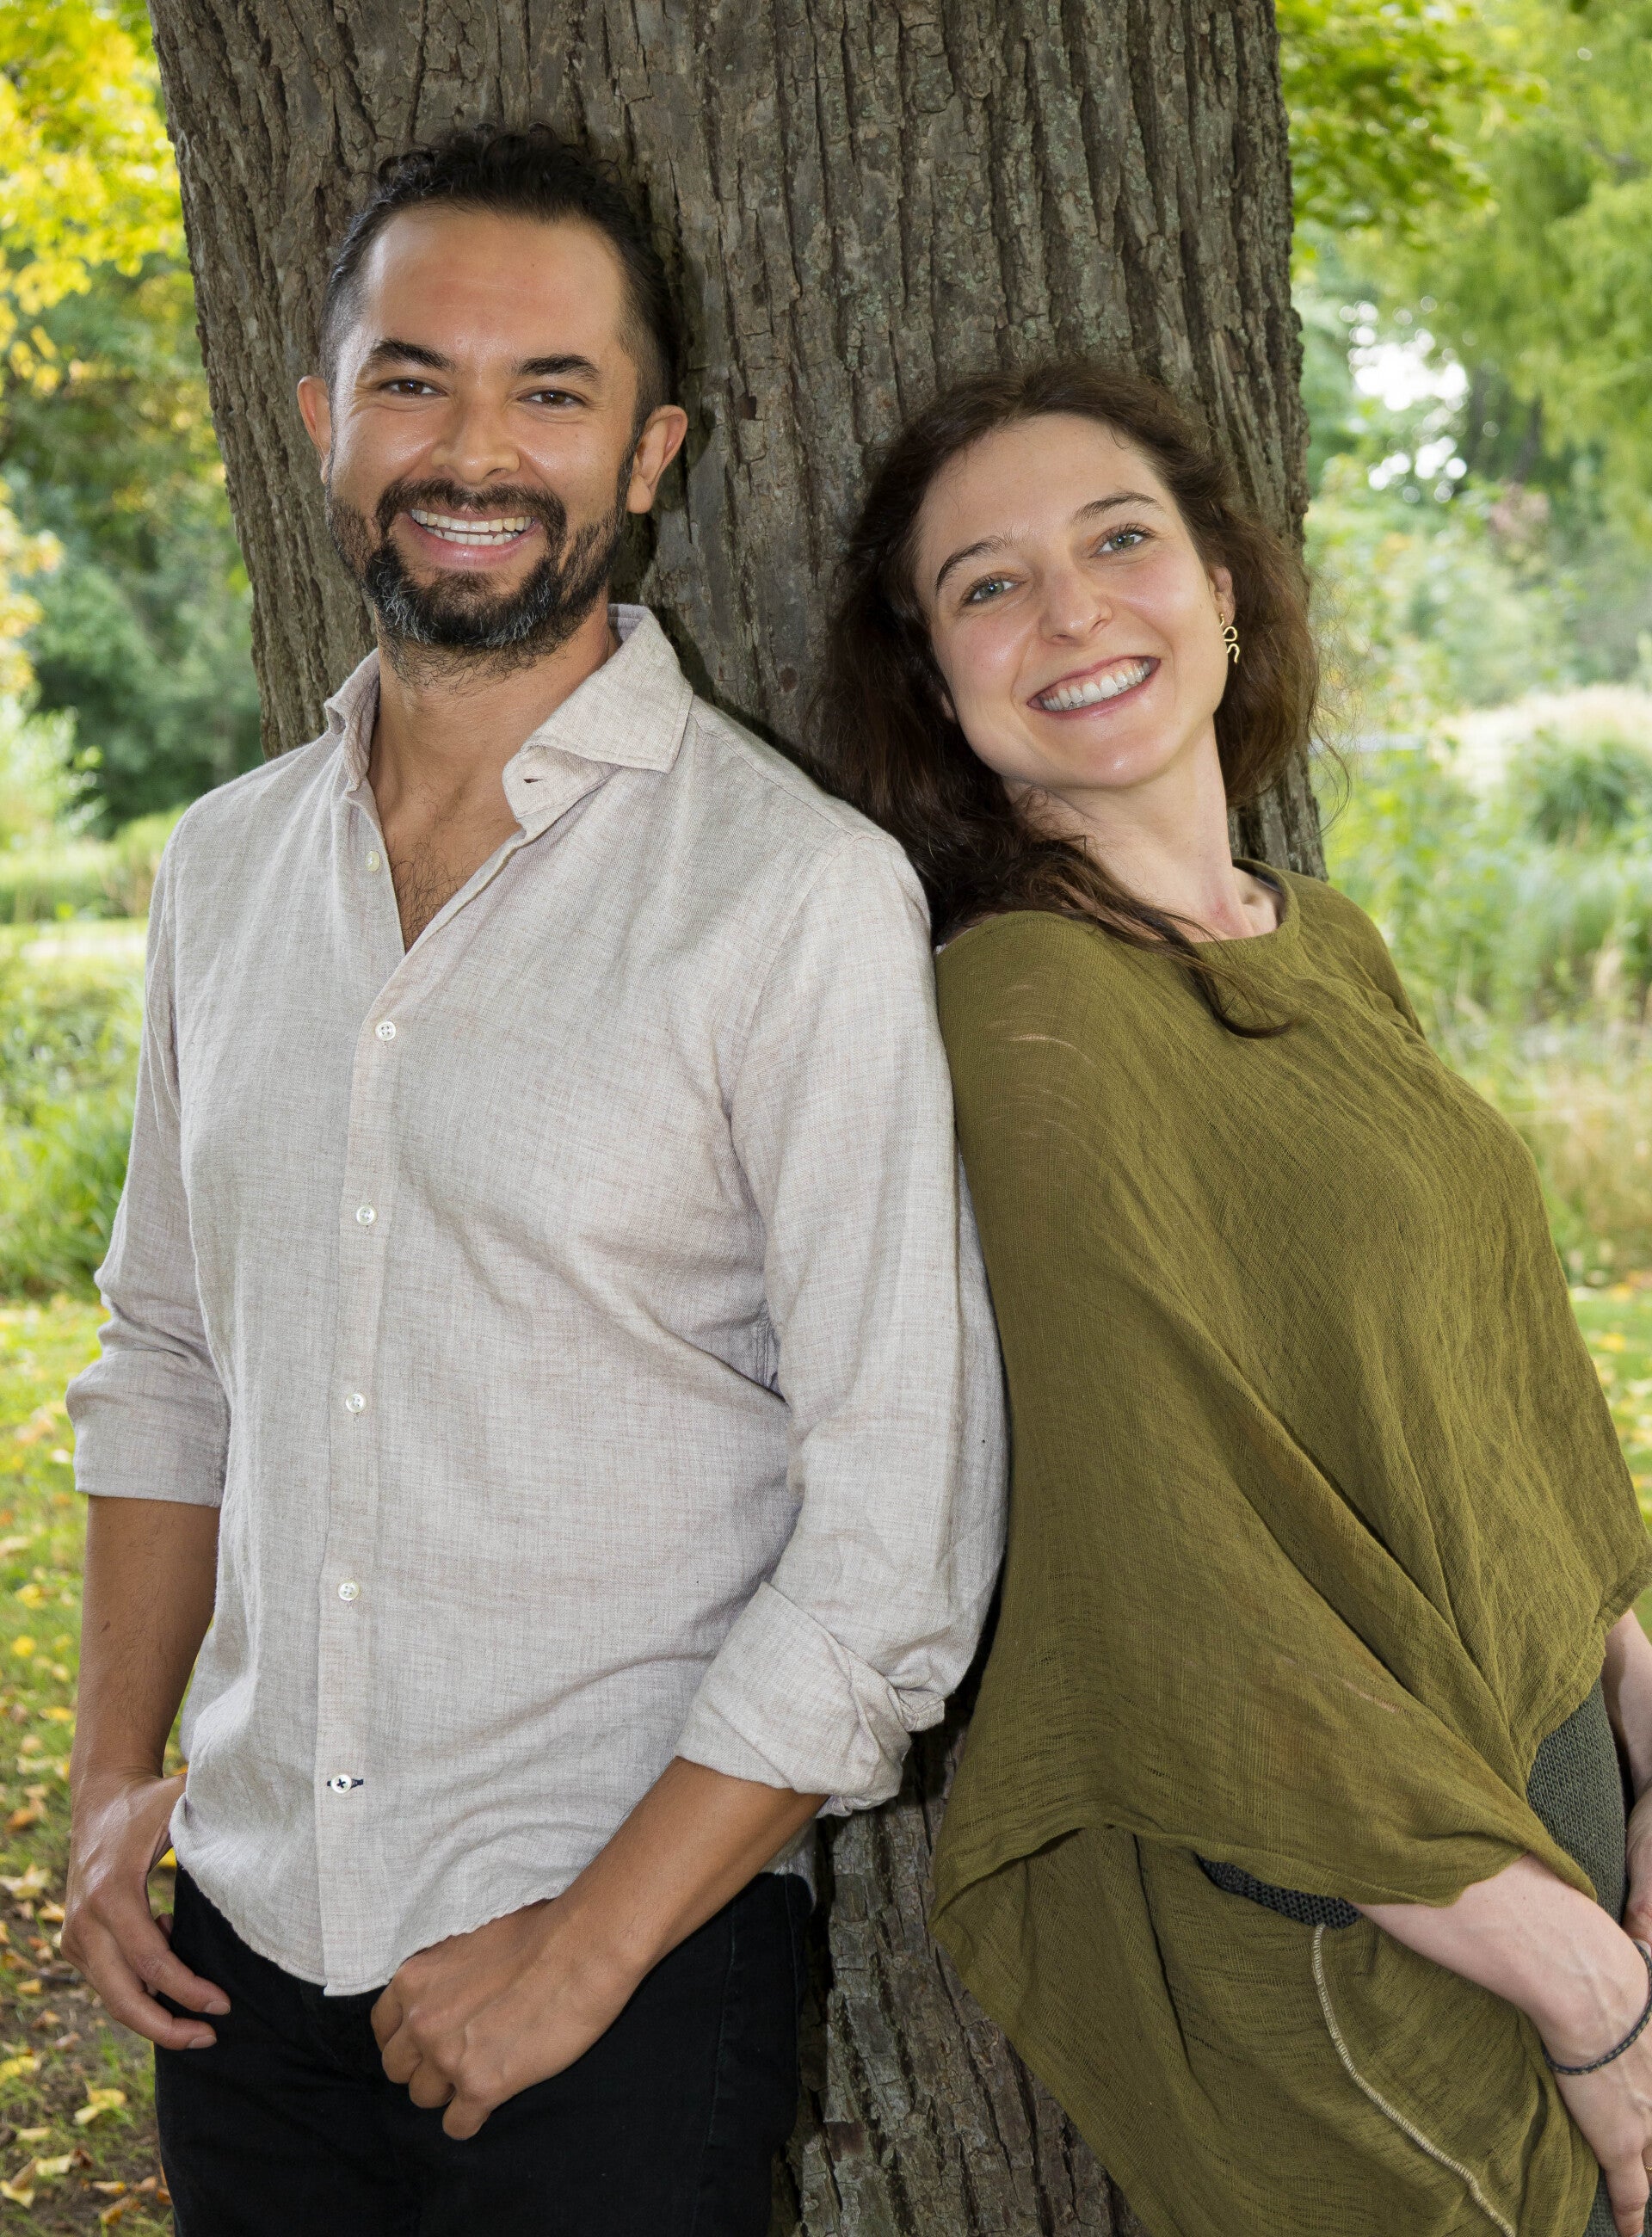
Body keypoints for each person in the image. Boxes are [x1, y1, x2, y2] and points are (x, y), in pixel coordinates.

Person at [60, 128, 1005, 2237]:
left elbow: (895, 1535)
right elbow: (171, 1355)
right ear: (321, 419)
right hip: (243, 1955)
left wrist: (582, 1953)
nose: (473, 452)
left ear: (650, 452)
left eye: (550, 393)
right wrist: (115, 1779)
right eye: (413, 382)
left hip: (613, 1972)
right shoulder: (225, 870)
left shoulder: (792, 899)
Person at [814, 358, 1652, 2237]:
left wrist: (1643, 1730)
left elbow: (1476, 1390)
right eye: (988, 584)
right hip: (1370, 1927)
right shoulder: (1029, 1013)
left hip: (1556, 1814)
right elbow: (1172, 1563)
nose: (1072, 610)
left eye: (1119, 540)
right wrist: (1585, 1993)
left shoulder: (1322, 943)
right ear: (936, 684)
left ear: (1224, 588)